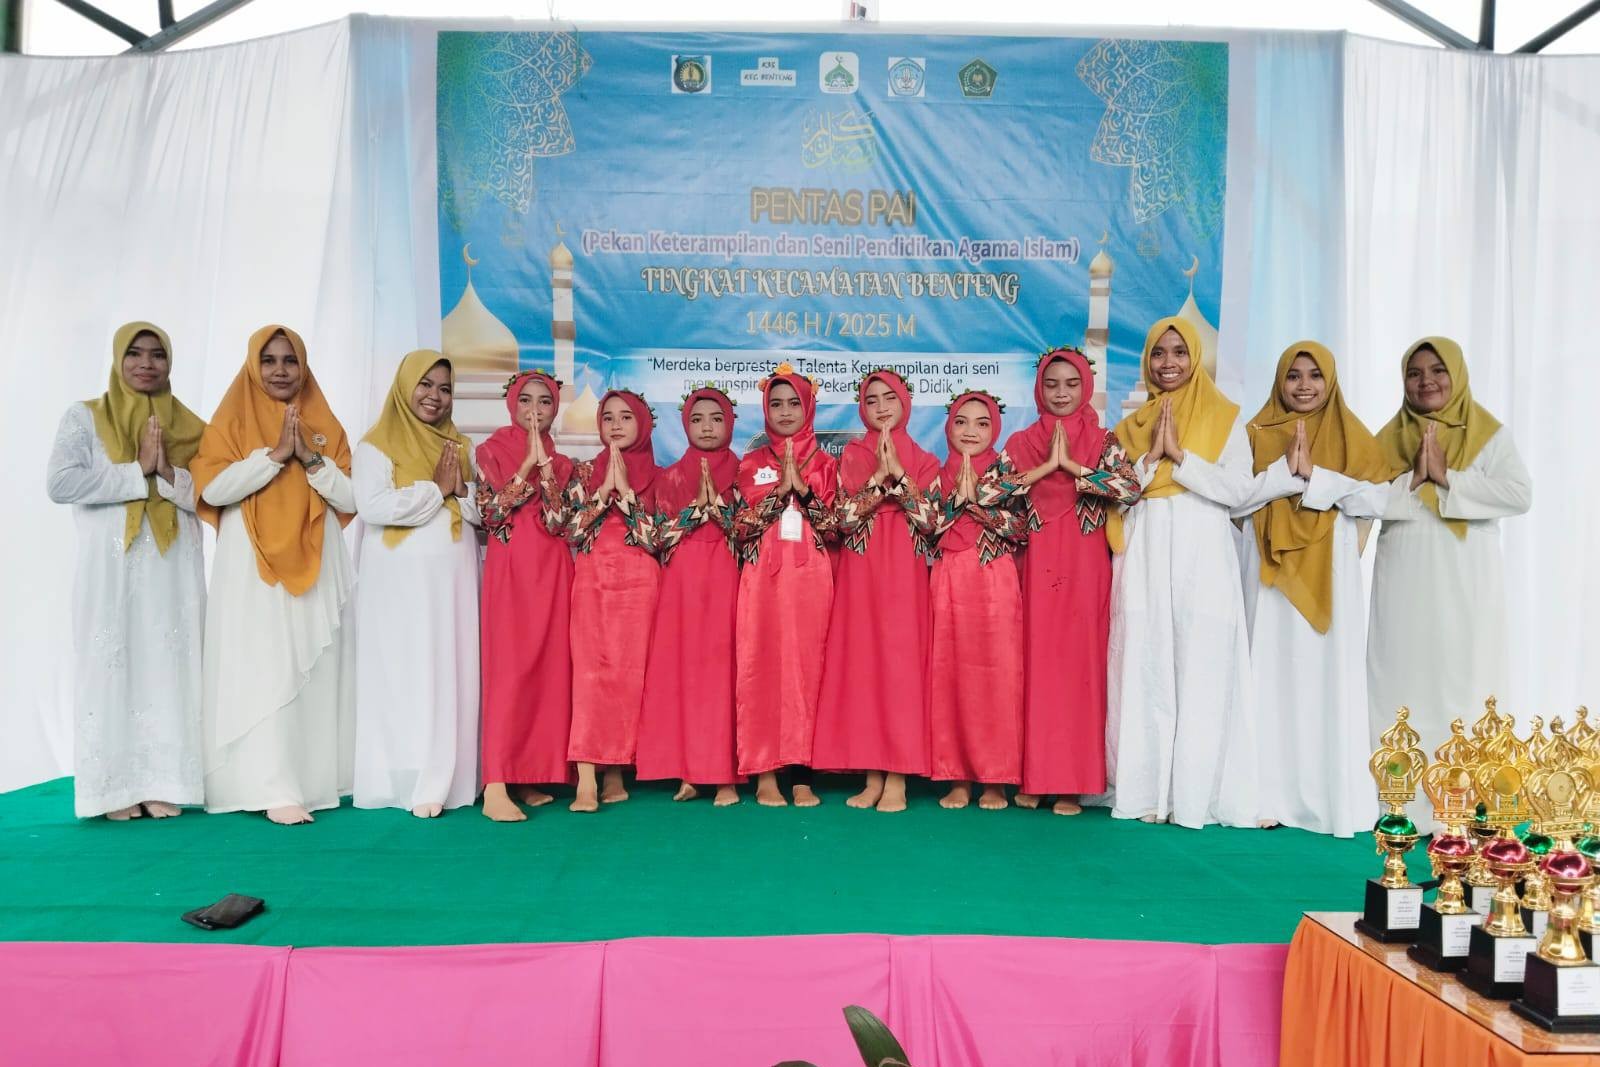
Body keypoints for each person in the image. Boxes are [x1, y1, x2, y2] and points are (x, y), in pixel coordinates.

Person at [192, 325, 356, 825]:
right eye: (269, 360)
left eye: (290, 360)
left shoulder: (324, 422)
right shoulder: (231, 420)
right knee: (263, 666)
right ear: (253, 365)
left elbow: (352, 497)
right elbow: (214, 490)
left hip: (317, 555)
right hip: (253, 565)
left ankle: (312, 780)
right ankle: (268, 784)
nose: (281, 371)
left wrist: (309, 457)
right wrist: (275, 456)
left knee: (312, 665)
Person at [46, 322, 206, 820]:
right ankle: (113, 789)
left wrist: (166, 471)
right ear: (118, 359)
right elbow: (61, 483)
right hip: (110, 566)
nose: (146, 364)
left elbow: (208, 496)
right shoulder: (86, 417)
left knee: (166, 667)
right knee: (110, 664)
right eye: (135, 353)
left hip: (171, 566)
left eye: (158, 355)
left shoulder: (191, 425)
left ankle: (163, 781)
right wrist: (137, 470)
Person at [1105, 317, 1257, 829]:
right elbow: (1115, 496)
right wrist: (1151, 458)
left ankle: (1195, 795)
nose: (1168, 363)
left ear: (1195, 357)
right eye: (1158, 353)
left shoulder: (1226, 418)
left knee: (1201, 663)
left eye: (1178, 352)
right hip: (1146, 551)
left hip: (1203, 554)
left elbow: (1240, 492)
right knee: (1146, 662)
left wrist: (1182, 458)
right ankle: (1146, 791)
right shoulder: (1129, 428)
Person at [1366, 337, 1531, 804]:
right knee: (1400, 677)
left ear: (1456, 374)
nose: (1427, 382)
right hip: (1403, 574)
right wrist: (1413, 479)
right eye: (1415, 373)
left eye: (1437, 370)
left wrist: (1447, 477)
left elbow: (1520, 495)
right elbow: (1363, 500)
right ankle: (1399, 801)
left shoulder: (1489, 434)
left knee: (1463, 677)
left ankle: (1464, 802)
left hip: (1465, 578)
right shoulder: (1387, 438)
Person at [1234, 342, 1387, 837]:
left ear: (1331, 380)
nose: (1304, 385)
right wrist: (1283, 475)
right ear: (1279, 380)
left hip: (1330, 571)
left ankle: (1327, 798)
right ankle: (1263, 795)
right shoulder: (1255, 433)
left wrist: (1316, 477)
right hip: (1267, 573)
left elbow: (1380, 499)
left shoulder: (1352, 433)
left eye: (1315, 375)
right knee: (1268, 674)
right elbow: (1233, 501)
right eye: (1293, 375)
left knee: (1325, 677)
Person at [1004, 348, 1140, 815]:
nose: (1061, 393)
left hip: (1085, 567)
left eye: (1071, 384)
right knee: (1036, 666)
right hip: (1037, 563)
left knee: (1080, 669)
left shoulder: (1103, 441)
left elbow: (1130, 489)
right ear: (1038, 388)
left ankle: (1071, 782)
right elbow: (989, 492)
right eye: (1051, 384)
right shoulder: (1022, 442)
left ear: (1085, 387)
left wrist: (1076, 469)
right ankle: (1035, 776)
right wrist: (1043, 469)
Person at [351, 350, 481, 818]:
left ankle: (448, 776)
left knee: (448, 669)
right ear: (405, 386)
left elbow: (483, 514)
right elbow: (373, 507)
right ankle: (403, 778)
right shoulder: (375, 446)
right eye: (425, 385)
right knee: (403, 671)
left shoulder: (462, 447)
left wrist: (461, 490)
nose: (434, 396)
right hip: (397, 585)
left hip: (454, 583)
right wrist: (436, 490)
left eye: (445, 389)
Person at [813, 370, 942, 813]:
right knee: (865, 667)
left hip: (905, 571)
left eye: (890, 398)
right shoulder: (851, 456)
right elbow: (840, 521)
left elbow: (932, 523)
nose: (882, 407)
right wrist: (876, 481)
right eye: (872, 400)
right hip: (861, 571)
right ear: (861, 408)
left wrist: (899, 477)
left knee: (901, 668)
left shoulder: (925, 459)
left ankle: (898, 776)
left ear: (906, 402)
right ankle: (871, 774)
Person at [731, 366, 837, 807]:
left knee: (807, 670)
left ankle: (802, 773)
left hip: (811, 578)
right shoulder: (751, 463)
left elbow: (837, 528)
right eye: (776, 404)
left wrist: (805, 493)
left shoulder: (828, 464)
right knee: (760, 667)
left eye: (794, 403)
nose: (785, 411)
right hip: (762, 578)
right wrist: (779, 494)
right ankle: (764, 771)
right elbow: (739, 529)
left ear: (809, 407)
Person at [475, 370, 575, 821]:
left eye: (545, 402)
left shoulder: (565, 463)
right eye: (527, 401)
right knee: (508, 671)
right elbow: (491, 514)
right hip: (511, 569)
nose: (535, 410)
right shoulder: (490, 451)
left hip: (552, 569)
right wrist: (524, 467)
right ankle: (496, 782)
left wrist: (546, 468)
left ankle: (528, 773)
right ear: (512, 403)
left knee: (546, 672)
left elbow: (560, 522)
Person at [636, 387, 742, 805]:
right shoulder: (670, 477)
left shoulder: (745, 470)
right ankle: (690, 770)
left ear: (729, 423)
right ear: (685, 425)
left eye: (716, 418)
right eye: (697, 419)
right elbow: (655, 538)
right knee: (686, 671)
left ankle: (725, 773)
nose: (707, 427)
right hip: (682, 581)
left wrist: (719, 510)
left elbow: (752, 530)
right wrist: (697, 509)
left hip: (730, 578)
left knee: (724, 672)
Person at [928, 390, 1028, 810]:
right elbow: (926, 525)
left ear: (995, 429)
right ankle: (957, 777)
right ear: (949, 426)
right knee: (950, 676)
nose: (971, 431)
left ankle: (995, 778)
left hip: (994, 579)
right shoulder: (935, 474)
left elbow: (1022, 527)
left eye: (982, 423)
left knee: (997, 676)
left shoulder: (1008, 472)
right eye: (962, 421)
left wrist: (978, 503)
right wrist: (957, 500)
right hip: (948, 578)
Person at [565, 389, 660, 812]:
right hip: (592, 582)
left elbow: (659, 540)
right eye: (608, 417)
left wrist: (630, 499)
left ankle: (617, 769)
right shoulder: (584, 472)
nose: (616, 425)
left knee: (628, 676)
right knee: (589, 676)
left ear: (643, 423)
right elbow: (568, 531)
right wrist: (604, 493)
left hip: (641, 584)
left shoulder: (661, 476)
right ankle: (586, 774)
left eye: (626, 417)